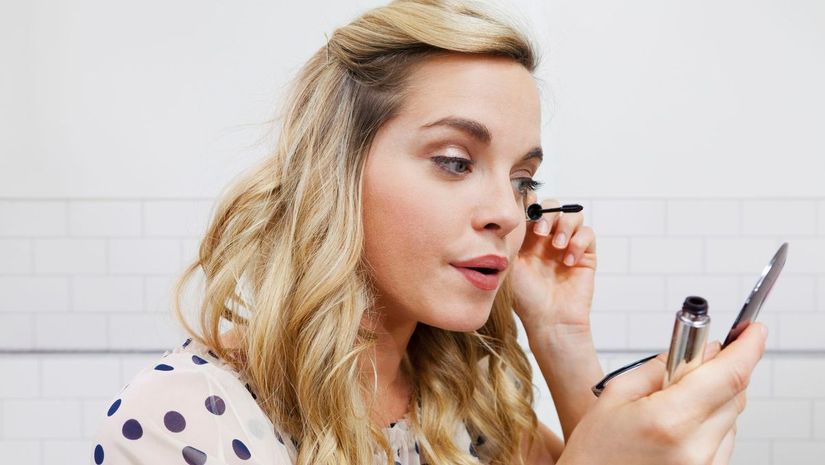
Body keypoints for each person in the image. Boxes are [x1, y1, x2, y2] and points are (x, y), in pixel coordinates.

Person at [90, 1, 768, 464]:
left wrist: (561, 336)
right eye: (455, 161)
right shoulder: (182, 417)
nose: (507, 210)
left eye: (523, 179)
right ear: (338, 170)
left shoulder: (470, 409)